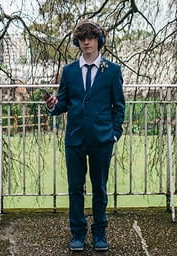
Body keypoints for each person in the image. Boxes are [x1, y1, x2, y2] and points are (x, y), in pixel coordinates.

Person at [43, 20, 125, 252]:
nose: (86, 42)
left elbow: (118, 106)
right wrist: (52, 105)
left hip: (102, 139)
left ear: (99, 40)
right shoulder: (69, 71)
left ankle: (100, 232)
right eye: (81, 38)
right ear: (77, 42)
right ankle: (77, 233)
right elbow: (63, 103)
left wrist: (114, 134)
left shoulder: (112, 71)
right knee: (75, 187)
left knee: (99, 187)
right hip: (75, 139)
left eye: (90, 37)